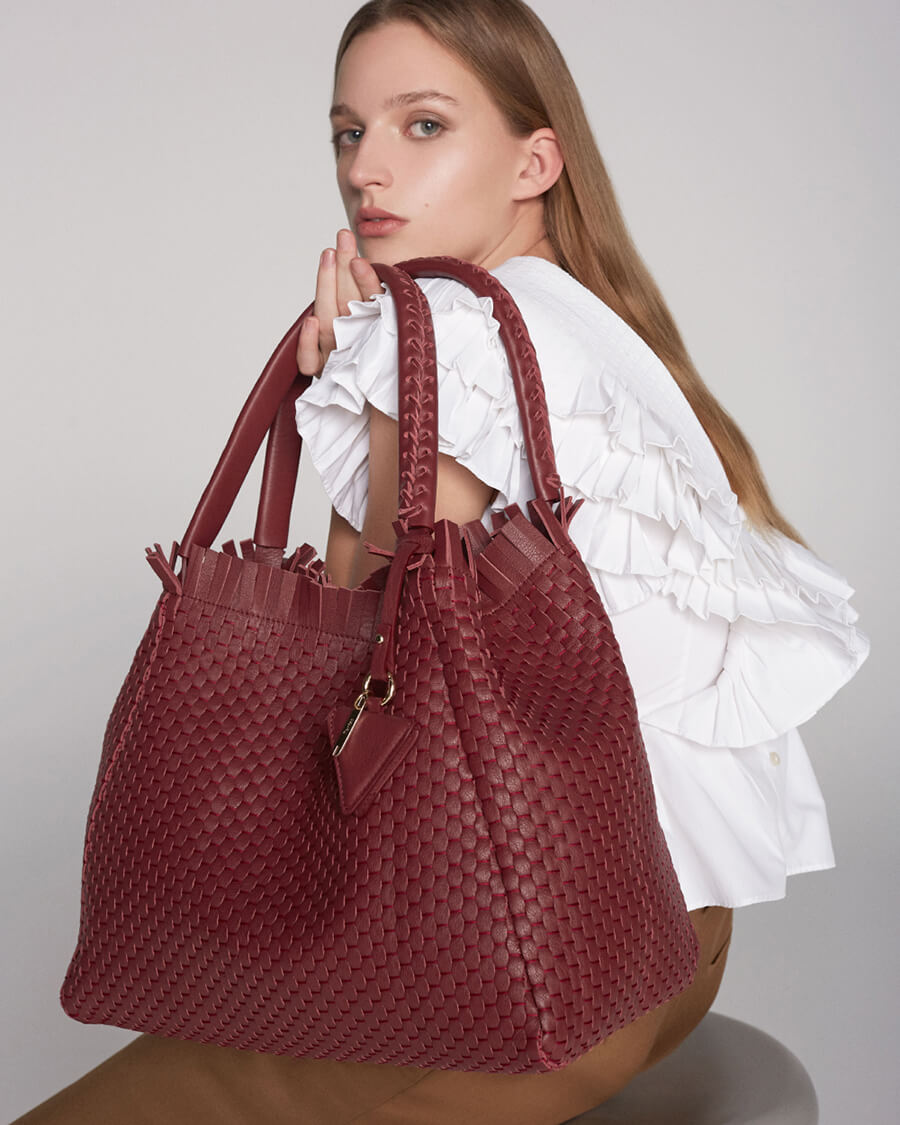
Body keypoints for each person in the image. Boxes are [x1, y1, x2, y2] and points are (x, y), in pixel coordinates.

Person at [12, 1, 869, 1123]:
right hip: (661, 949)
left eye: (422, 126)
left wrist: (358, 380)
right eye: (348, 132)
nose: (365, 169)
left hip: (517, 961)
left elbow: (371, 664)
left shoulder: (450, 334)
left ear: (534, 162)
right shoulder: (586, 320)